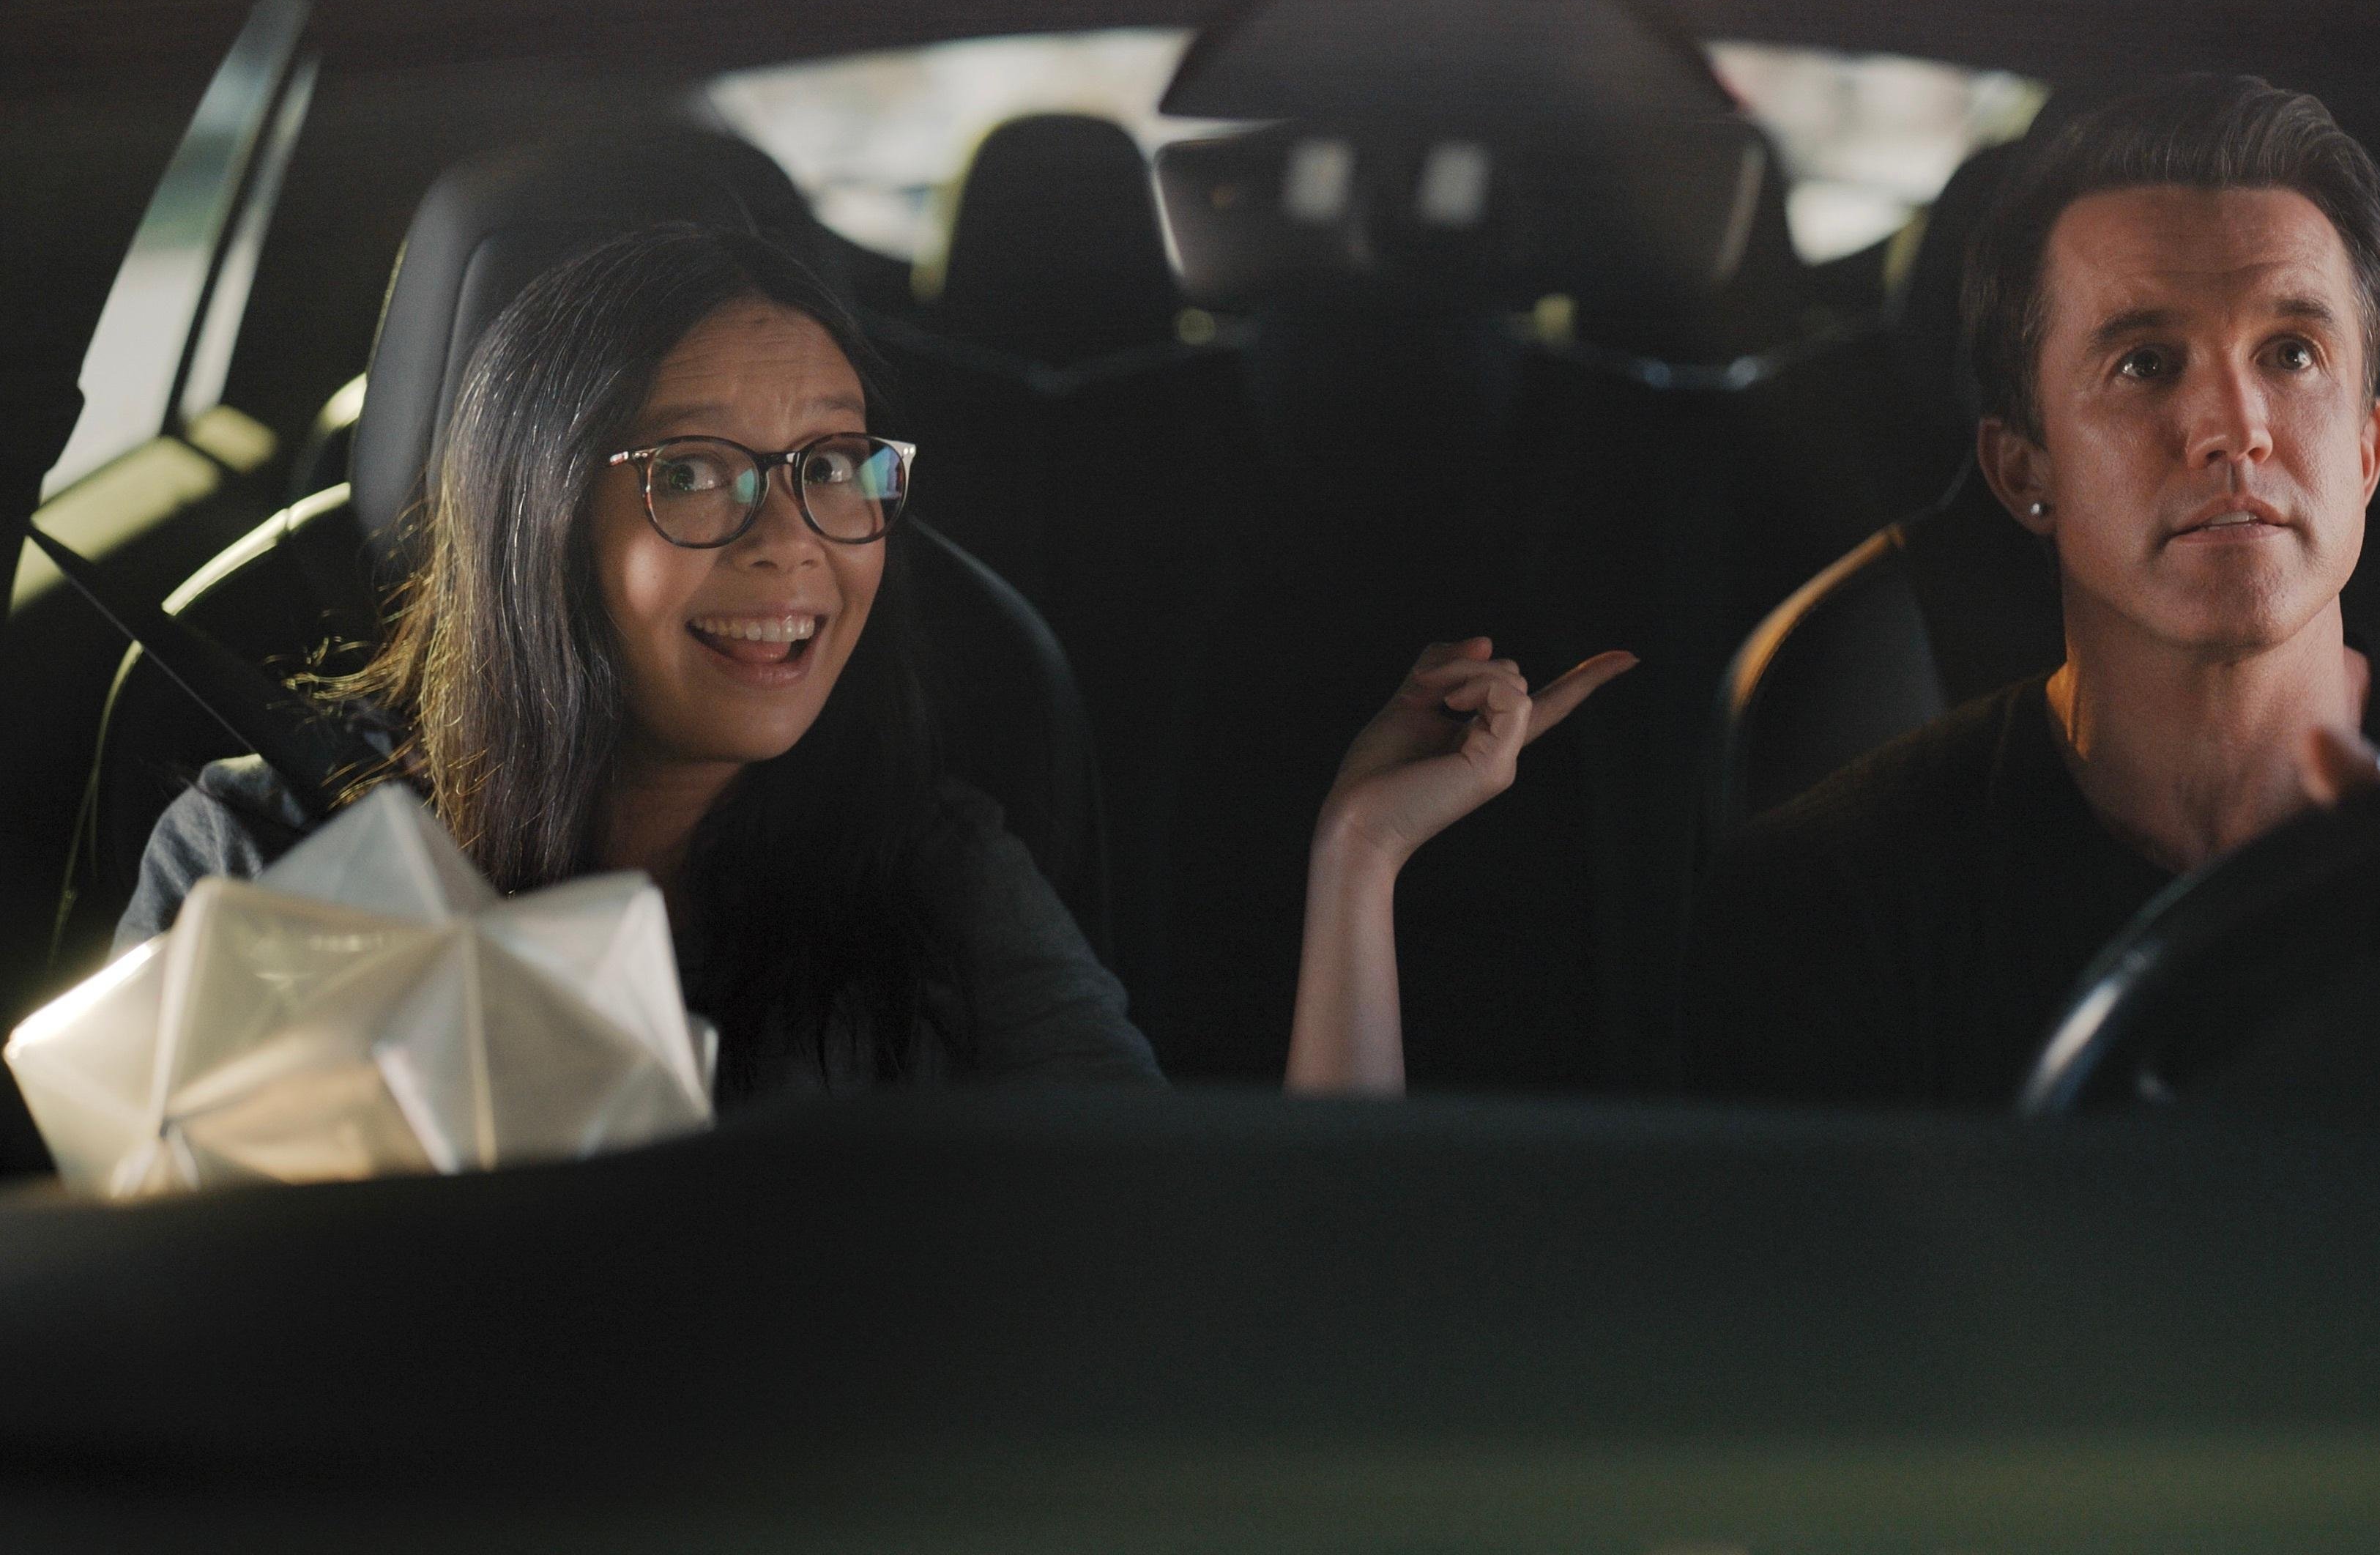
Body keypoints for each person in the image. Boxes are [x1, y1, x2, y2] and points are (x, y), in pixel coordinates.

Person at [115, 224, 1632, 1102]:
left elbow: (1219, 1270)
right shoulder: (265, 860)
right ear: (540, 518)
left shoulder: (935, 884)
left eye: (836, 467)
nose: (794, 545)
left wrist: (1358, 863)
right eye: (695, 473)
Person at [1681, 75, 2380, 1107]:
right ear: (2024, 471)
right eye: (2145, 363)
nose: (2236, 428)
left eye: (2292, 353)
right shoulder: (1837, 899)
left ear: (2369, 452)